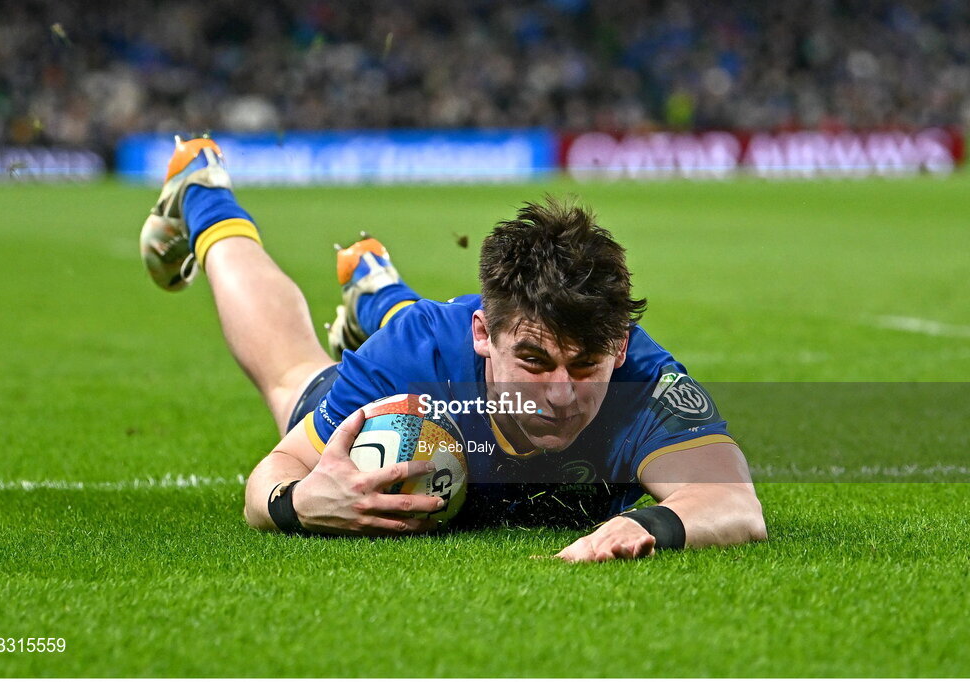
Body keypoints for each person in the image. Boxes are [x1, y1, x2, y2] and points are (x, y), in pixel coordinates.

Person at [140, 137, 767, 562]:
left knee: (422, 335)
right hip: (421, 356)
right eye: (534, 362)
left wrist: (646, 525)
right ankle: (202, 190)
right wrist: (301, 503)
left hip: (448, 349)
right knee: (292, 376)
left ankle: (376, 287)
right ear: (483, 333)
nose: (561, 393)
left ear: (620, 347)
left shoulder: (646, 382)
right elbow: (267, 482)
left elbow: (734, 503)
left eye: (585, 366)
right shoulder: (414, 358)